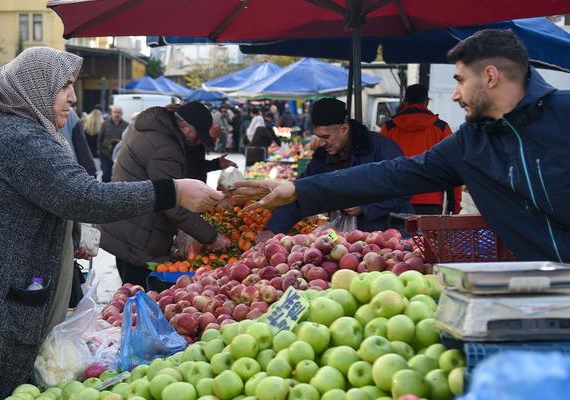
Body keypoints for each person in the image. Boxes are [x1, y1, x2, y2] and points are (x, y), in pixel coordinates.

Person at [0, 47, 223, 400]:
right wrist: (171, 190)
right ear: (35, 86)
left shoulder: (5, 130)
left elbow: (39, 199)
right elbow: (85, 196)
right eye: (64, 85)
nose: (72, 96)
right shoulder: (17, 137)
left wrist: (71, 230)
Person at [231, 30, 570, 263]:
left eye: (460, 81)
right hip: (537, 292)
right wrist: (297, 189)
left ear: (491, 77)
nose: (454, 94)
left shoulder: (564, 114)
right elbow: (391, 175)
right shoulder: (468, 145)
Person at [100, 102, 231, 288]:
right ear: (184, 126)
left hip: (130, 225)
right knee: (138, 294)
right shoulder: (165, 148)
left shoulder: (157, 132)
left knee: (131, 292)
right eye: (198, 135)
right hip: (138, 233)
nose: (199, 141)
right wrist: (211, 237)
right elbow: (171, 202)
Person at [254, 98, 412, 242]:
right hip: (346, 239)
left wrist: (366, 207)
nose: (321, 143)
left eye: (326, 137)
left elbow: (404, 189)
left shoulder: (380, 148)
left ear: (344, 129)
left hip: (388, 234)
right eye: (318, 136)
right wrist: (272, 229)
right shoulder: (323, 156)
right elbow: (301, 192)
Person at [382, 84, 460, 214]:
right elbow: (454, 167)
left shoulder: (389, 128)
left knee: (395, 235)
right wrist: (454, 205)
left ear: (405, 102)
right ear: (426, 101)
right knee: (428, 235)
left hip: (396, 198)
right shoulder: (441, 128)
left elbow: (379, 167)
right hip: (431, 199)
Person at [187, 111, 238, 183]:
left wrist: (216, 164)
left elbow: (198, 166)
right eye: (212, 138)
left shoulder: (199, 145)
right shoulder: (181, 145)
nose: (212, 142)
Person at [97, 105, 128, 182]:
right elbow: (100, 138)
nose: (117, 114)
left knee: (118, 176)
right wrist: (99, 151)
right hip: (105, 154)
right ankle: (104, 191)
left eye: (119, 112)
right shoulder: (105, 124)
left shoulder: (126, 125)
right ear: (111, 113)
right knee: (106, 174)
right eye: (115, 112)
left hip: (120, 156)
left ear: (122, 114)